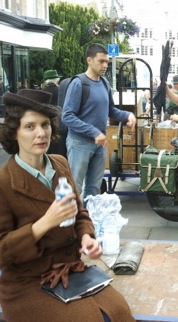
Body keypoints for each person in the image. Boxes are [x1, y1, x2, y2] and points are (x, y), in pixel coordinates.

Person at [0, 89, 134, 321]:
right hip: (28, 282)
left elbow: (80, 213)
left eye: (45, 124)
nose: (41, 133)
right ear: (14, 133)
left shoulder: (60, 164)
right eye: (30, 126)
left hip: (71, 271)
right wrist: (44, 223)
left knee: (120, 311)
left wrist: (86, 238)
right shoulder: (4, 182)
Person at [62, 43, 136, 203]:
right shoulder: (78, 83)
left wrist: (127, 115)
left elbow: (110, 110)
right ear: (89, 60)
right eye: (101, 61)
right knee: (75, 187)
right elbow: (67, 116)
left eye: (107, 62)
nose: (105, 65)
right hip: (79, 143)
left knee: (94, 189)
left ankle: (89, 223)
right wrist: (93, 132)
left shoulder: (104, 84)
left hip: (99, 145)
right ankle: (70, 225)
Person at [41, 70, 66, 156]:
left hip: (46, 123)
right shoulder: (60, 91)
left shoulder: (41, 91)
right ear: (56, 80)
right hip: (60, 122)